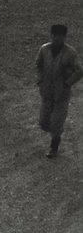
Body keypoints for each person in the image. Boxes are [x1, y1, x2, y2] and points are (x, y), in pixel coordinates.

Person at [36, 24, 83, 158]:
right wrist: (40, 81)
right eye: (55, 36)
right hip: (47, 92)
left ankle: (54, 146)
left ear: (64, 37)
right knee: (44, 122)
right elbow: (38, 64)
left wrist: (67, 83)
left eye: (61, 37)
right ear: (51, 35)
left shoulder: (70, 53)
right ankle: (56, 132)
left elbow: (79, 71)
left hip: (61, 94)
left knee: (56, 122)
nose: (57, 39)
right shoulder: (44, 50)